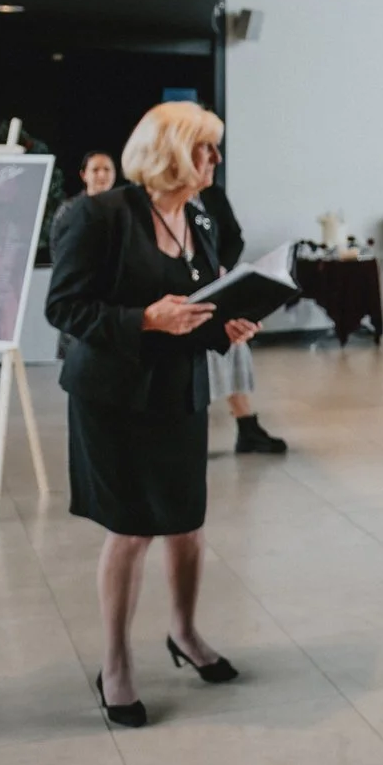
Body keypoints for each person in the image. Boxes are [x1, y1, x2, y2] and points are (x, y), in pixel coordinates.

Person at [46, 101, 258, 729]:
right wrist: (143, 317)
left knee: (187, 523)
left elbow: (199, 310)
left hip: (178, 390)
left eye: (216, 148)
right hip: (111, 397)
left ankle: (185, 634)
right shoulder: (100, 215)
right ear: (168, 151)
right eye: (204, 148)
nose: (215, 159)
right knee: (132, 530)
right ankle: (115, 663)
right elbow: (64, 308)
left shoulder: (200, 217)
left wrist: (228, 327)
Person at [196, 181, 288, 454]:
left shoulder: (212, 195)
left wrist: (223, 266)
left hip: (216, 283)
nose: (214, 161)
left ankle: (246, 425)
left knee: (234, 346)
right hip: (185, 288)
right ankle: (190, 430)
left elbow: (234, 237)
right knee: (198, 358)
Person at [52, 151, 116, 357]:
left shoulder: (123, 209)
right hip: (79, 297)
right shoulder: (69, 210)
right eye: (95, 169)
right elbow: (58, 251)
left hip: (114, 302)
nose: (101, 175)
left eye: (107, 169)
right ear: (83, 175)